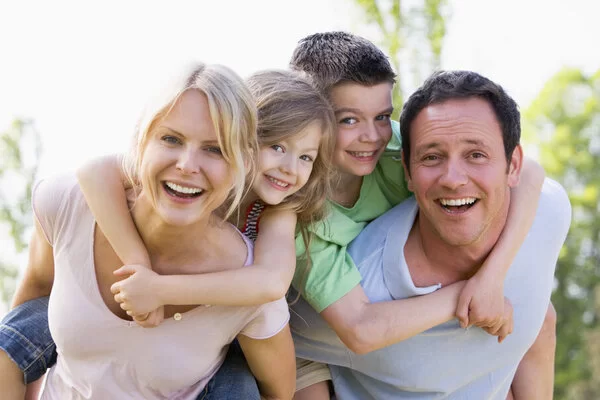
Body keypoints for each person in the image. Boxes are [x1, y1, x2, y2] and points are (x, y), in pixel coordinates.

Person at [0, 62, 296, 399]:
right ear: (141, 143)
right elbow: (25, 321)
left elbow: (278, 391)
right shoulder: (68, 204)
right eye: (171, 139)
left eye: (214, 149)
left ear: (242, 163)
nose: (187, 165)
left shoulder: (248, 288)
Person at [286, 32, 553, 399]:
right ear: (306, 116)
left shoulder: (396, 149)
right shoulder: (298, 211)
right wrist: (466, 295)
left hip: (387, 300)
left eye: (382, 116)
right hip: (313, 329)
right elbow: (359, 329)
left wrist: (491, 278)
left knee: (539, 316)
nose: (371, 136)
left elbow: (530, 173)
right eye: (348, 120)